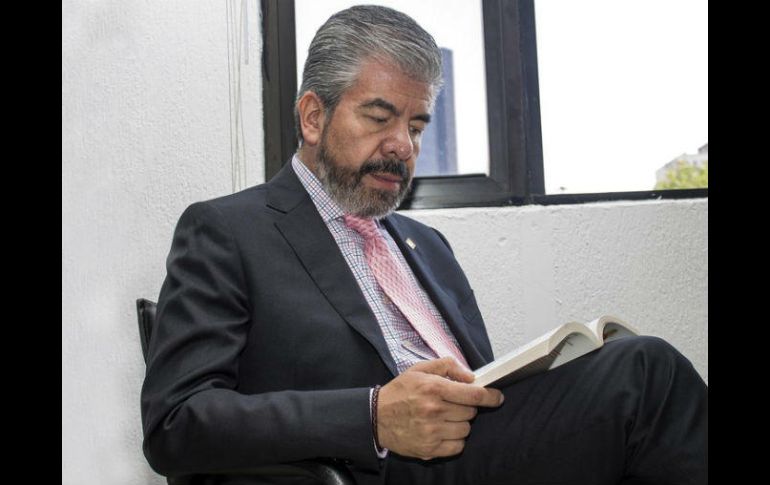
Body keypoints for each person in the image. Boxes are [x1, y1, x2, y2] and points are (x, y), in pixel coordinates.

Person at [141, 5, 707, 485]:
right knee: (642, 372)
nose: (403, 146)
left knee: (630, 404)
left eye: (415, 127)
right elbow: (176, 422)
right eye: (379, 117)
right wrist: (372, 417)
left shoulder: (428, 247)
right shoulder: (228, 231)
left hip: (480, 451)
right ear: (313, 117)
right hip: (378, 469)